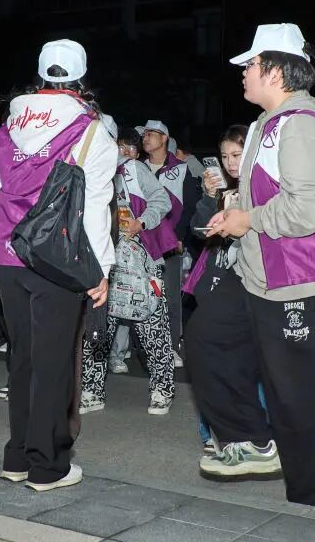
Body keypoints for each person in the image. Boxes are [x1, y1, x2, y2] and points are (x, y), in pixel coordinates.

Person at [202, 23, 315, 508]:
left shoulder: (301, 126)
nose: (243, 72)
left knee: (299, 402)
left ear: (274, 71)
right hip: (261, 274)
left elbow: (309, 209)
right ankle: (252, 441)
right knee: (208, 338)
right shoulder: (265, 126)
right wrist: (237, 212)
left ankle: (312, 505)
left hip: (304, 280)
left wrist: (247, 219)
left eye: (250, 64)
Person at [0, 38, 115, 491]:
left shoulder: (8, 125)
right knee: (54, 365)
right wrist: (100, 270)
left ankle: (17, 456)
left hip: (8, 255)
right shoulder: (91, 130)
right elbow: (95, 207)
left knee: (22, 359)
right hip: (58, 258)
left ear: (40, 76)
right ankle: (46, 465)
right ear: (81, 78)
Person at [81, 119, 173, 415]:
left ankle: (162, 389)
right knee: (96, 329)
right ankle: (91, 390)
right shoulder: (85, 171)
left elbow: (162, 200)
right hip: (102, 265)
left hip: (141, 262)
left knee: (152, 328)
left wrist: (141, 222)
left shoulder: (132, 169)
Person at [183, 124, 256, 456]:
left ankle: (251, 436)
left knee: (243, 365)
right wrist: (209, 197)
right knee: (208, 359)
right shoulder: (222, 189)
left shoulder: (261, 188)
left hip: (249, 284)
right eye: (225, 156)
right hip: (215, 281)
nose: (230, 163)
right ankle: (212, 435)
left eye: (237, 155)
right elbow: (199, 231)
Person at [141, 119, 199, 362]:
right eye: (144, 134)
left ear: (164, 138)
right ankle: (144, 348)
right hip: (142, 242)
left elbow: (190, 207)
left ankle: (172, 346)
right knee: (142, 294)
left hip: (169, 243)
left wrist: (180, 237)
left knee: (171, 297)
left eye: (151, 134)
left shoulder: (181, 169)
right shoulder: (137, 168)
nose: (145, 138)